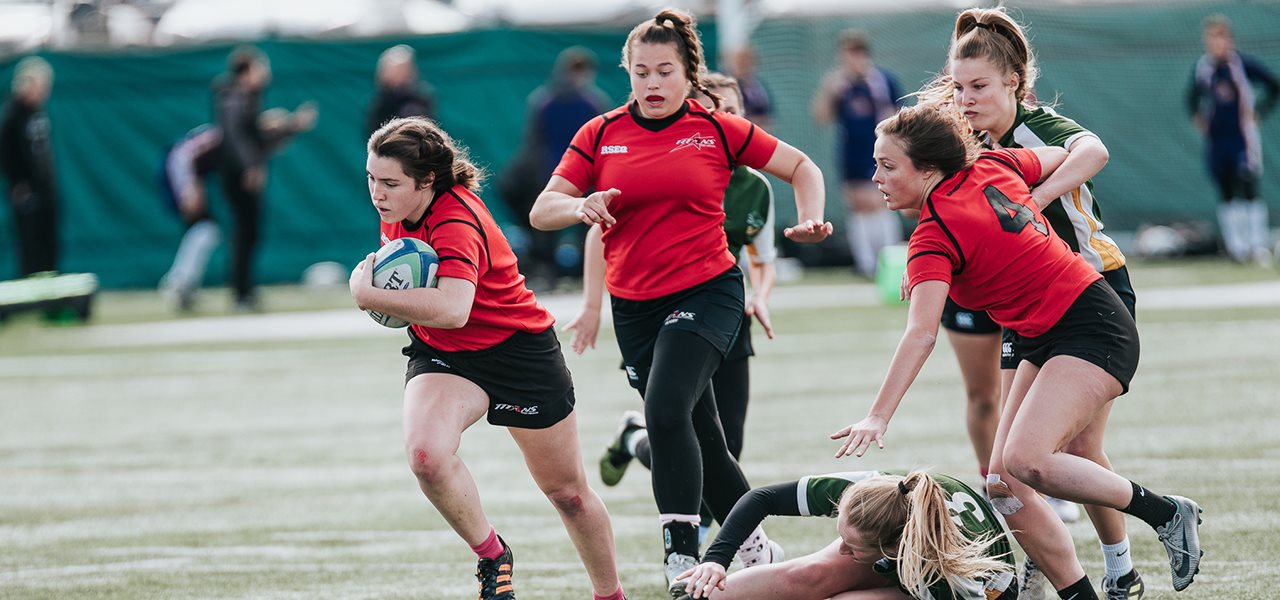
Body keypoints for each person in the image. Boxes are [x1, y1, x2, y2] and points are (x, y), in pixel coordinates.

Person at [832, 102, 1203, 600]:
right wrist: (1029, 198)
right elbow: (1058, 153)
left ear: (928, 169)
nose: (874, 175)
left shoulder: (934, 234)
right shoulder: (995, 165)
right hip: (1042, 333)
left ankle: (1167, 513)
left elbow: (920, 334)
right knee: (1003, 485)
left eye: (887, 165)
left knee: (1031, 462)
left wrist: (877, 416)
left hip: (1090, 324)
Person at [528, 8, 832, 596]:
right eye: (641, 72)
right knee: (704, 438)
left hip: (708, 290)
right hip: (635, 306)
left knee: (666, 410)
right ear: (628, 74)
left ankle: (680, 555)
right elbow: (544, 208)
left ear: (689, 73)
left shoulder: (717, 128)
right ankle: (754, 546)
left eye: (665, 71)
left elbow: (801, 166)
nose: (652, 83)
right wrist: (581, 204)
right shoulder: (600, 133)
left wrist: (811, 217)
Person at [916, 9, 1147, 599]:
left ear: (1013, 82)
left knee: (1075, 447)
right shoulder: (969, 144)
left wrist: (1036, 200)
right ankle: (1050, 562)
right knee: (1007, 468)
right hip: (1027, 307)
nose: (966, 99)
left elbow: (1094, 149)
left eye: (980, 87)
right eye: (959, 87)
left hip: (1092, 292)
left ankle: (1120, 568)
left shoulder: (1035, 128)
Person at [348, 117, 626, 600]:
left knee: (570, 495)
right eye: (371, 179)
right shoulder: (399, 206)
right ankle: (493, 555)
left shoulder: (456, 219)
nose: (378, 192)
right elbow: (436, 311)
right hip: (445, 354)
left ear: (427, 180)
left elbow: (454, 308)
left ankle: (611, 595)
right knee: (425, 456)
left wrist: (365, 292)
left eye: (390, 183)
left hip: (519, 353)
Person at [571, 73, 777, 547]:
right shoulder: (660, 164)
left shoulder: (754, 184)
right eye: (711, 110)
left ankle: (635, 442)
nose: (719, 119)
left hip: (724, 310)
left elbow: (761, 260)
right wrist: (590, 306)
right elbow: (598, 232)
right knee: (675, 421)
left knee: (723, 442)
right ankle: (706, 540)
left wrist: (760, 294)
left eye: (729, 109)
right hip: (659, 312)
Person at [678, 469, 1016, 600]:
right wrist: (715, 563)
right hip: (904, 552)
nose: (840, 549)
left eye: (851, 547)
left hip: (981, 590)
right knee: (810, 574)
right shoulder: (872, 490)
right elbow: (760, 498)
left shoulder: (947, 578)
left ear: (892, 548)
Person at [157, 108, 315, 311]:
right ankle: (179, 282)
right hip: (178, 168)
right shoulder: (227, 136)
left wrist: (295, 125)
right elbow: (183, 155)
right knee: (204, 228)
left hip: (193, 173)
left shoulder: (246, 142)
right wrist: (189, 186)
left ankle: (183, 282)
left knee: (207, 229)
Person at [501, 46, 614, 291]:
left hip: (559, 175)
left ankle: (563, 272)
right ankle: (559, 272)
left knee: (575, 224)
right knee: (568, 224)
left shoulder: (547, 100)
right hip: (562, 176)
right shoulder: (584, 102)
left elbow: (534, 142)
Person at [214, 46, 317, 311]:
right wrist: (250, 167)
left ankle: (246, 291)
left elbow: (257, 136)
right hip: (238, 175)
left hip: (244, 173)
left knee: (250, 233)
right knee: (244, 232)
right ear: (247, 70)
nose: (265, 73)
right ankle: (241, 293)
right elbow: (236, 137)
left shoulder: (247, 97)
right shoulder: (233, 97)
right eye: (260, 67)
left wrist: (291, 125)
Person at [1187, 14, 1279, 265]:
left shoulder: (1242, 65)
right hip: (1217, 141)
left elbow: (1273, 84)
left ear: (1229, 40)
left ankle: (1258, 246)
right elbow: (1192, 97)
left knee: (1248, 187)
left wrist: (1260, 110)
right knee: (1226, 190)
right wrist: (1198, 116)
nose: (1216, 44)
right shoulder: (1204, 68)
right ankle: (1236, 248)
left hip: (1242, 138)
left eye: (1220, 38)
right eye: (1211, 39)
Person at [811, 30, 903, 277]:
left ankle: (892, 263)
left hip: (881, 151)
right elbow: (821, 116)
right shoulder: (841, 85)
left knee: (882, 203)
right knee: (859, 206)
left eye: (852, 56)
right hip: (851, 154)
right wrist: (829, 91)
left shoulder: (882, 81)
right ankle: (866, 265)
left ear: (863, 55)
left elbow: (899, 114)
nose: (848, 62)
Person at [1, 57, 58, 278]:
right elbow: (7, 154)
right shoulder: (12, 115)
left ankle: (50, 288)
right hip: (26, 191)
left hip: (45, 189)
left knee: (48, 240)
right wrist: (18, 183)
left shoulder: (39, 113)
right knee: (29, 241)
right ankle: (31, 287)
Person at [366, 44, 436, 136]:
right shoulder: (380, 101)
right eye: (395, 70)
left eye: (403, 69)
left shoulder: (421, 95)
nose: (399, 74)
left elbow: (430, 124)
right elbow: (373, 129)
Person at [726, 47, 774, 130]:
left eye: (746, 59)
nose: (744, 63)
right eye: (740, 60)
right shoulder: (727, 85)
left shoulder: (759, 85)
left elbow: (769, 115)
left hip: (760, 133)